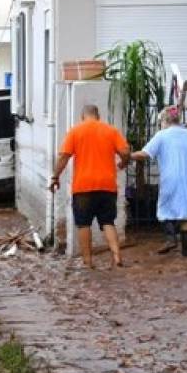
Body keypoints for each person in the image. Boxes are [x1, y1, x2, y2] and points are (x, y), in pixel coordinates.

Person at [50, 104, 131, 269]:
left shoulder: (75, 131)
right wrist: (124, 162)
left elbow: (63, 157)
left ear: (82, 116)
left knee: (83, 224)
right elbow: (125, 151)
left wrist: (55, 177)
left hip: (83, 187)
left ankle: (88, 262)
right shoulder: (110, 130)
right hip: (107, 185)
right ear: (98, 115)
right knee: (108, 222)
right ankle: (117, 257)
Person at [130, 106, 187, 257]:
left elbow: (145, 153)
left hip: (173, 176)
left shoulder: (162, 135)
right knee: (186, 213)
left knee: (165, 207)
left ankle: (170, 238)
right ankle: (186, 251)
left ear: (164, 120)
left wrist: (128, 155)